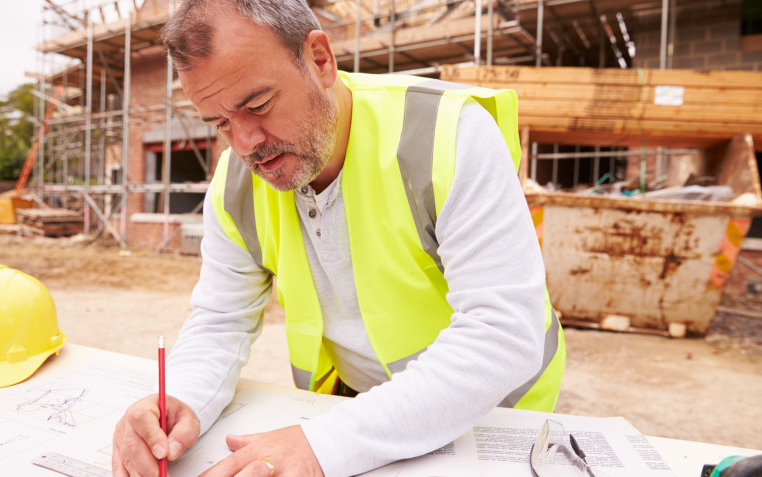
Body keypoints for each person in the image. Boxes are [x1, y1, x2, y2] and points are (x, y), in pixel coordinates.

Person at [112, 1, 566, 476]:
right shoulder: (234, 187)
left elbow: (503, 330)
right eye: (221, 123)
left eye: (258, 105)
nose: (245, 143)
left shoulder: (447, 134)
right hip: (361, 415)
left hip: (493, 419)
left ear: (320, 60)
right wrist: (182, 398)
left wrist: (326, 444)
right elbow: (221, 321)